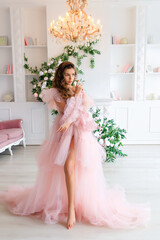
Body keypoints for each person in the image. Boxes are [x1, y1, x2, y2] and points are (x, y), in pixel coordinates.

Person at [0, 61, 150, 230]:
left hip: (81, 132)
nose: (71, 78)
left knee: (83, 167)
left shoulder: (77, 90)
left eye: (73, 75)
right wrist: (77, 97)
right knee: (67, 167)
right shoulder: (55, 92)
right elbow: (66, 115)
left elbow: (82, 112)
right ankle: (70, 207)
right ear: (61, 76)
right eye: (67, 75)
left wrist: (78, 97)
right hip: (64, 133)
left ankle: (81, 200)